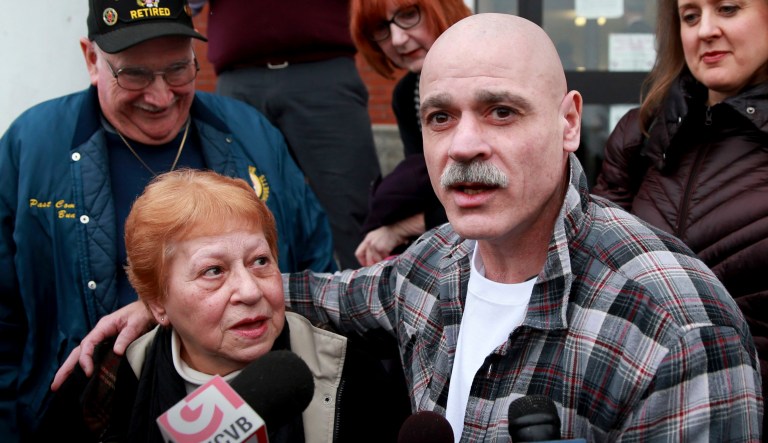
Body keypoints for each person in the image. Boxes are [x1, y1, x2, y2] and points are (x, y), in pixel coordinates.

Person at [55, 13, 764, 441]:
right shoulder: (434, 265)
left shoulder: (676, 325)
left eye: (502, 111)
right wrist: (165, 303)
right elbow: (327, 292)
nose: (463, 146)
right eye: (439, 117)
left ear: (569, 121)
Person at [0, 0, 336, 440]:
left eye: (178, 70)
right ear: (90, 58)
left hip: (268, 407)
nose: (160, 96)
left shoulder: (252, 134)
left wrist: (176, 303)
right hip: (86, 419)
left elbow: (319, 270)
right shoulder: (32, 146)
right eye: (134, 74)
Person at [38, 169, 405, 442]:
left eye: (260, 261)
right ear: (157, 305)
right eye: (213, 271)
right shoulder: (109, 376)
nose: (248, 291)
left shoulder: (350, 374)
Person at [592, 0, 768, 431]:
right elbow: (592, 273)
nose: (704, 30)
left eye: (727, 9)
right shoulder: (643, 133)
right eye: (690, 16)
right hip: (633, 410)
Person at [187, 0, 382, 270]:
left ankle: (368, 301)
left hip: (323, 69)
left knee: (352, 207)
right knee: (234, 212)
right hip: (239, 77)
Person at [350, 0, 471, 266]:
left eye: (408, 15)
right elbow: (430, 185)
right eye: (381, 28)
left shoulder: (495, 71)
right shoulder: (407, 94)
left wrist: (402, 228)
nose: (397, 39)